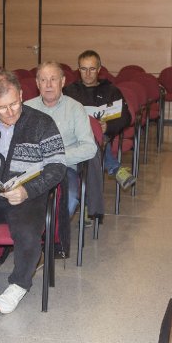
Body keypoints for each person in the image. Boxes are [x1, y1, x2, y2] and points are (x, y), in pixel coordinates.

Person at [0, 70, 66, 315]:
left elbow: (57, 167)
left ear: (21, 95)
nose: (10, 112)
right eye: (1, 108)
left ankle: (19, 284)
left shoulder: (42, 122)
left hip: (27, 196)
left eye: (14, 104)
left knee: (28, 235)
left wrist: (27, 190)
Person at [25, 61, 98, 259]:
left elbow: (89, 147)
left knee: (70, 198)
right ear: (37, 84)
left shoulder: (76, 109)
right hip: (32, 169)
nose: (48, 84)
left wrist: (56, 157)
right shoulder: (26, 109)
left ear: (63, 82)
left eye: (53, 79)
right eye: (43, 80)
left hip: (65, 169)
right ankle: (30, 238)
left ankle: (51, 240)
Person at [65, 50, 134, 189]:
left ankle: (85, 199)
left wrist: (107, 126)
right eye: (83, 69)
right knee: (90, 135)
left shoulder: (111, 90)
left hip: (102, 136)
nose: (88, 73)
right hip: (72, 138)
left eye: (92, 69)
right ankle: (115, 168)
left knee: (95, 134)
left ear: (99, 69)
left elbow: (126, 118)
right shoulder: (68, 91)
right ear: (78, 70)